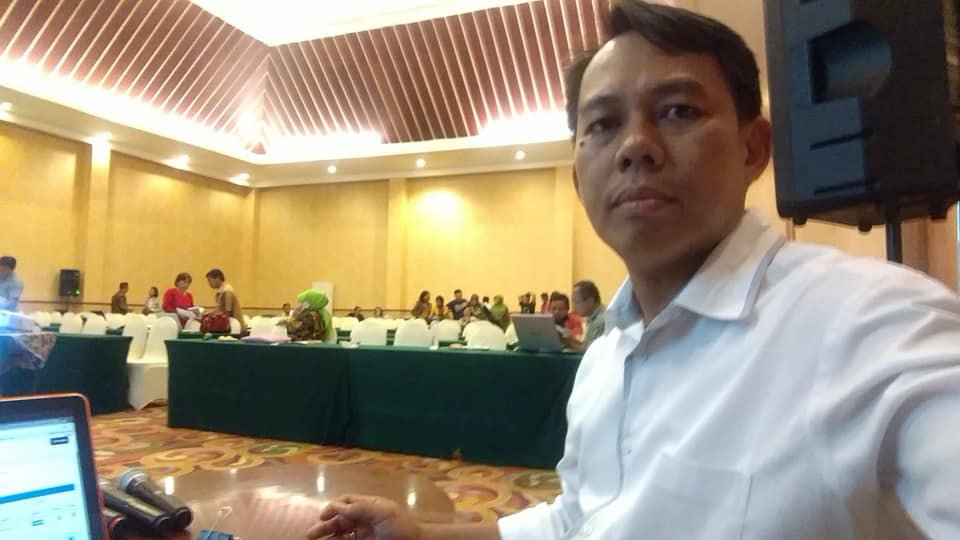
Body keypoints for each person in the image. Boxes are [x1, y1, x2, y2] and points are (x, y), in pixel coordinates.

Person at [308, 2, 960, 538]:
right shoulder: (606, 359)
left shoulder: (871, 323)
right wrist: (423, 536)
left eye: (678, 111)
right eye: (603, 124)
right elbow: (578, 522)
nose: (636, 147)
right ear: (577, 175)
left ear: (753, 148)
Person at [571, 280, 606, 348]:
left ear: (590, 301)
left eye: (576, 302)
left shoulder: (600, 321)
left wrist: (568, 341)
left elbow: (590, 350)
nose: (573, 307)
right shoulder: (593, 317)